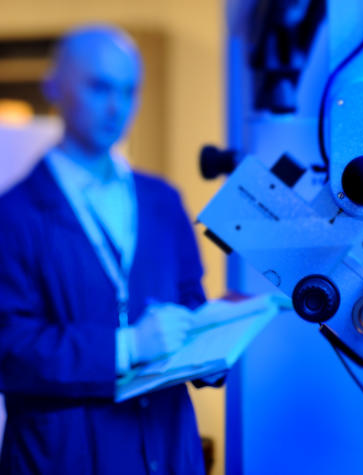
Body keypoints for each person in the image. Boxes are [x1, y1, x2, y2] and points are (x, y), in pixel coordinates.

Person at [0, 25, 212, 474]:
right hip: (64, 455)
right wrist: (128, 346)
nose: (117, 107)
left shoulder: (162, 200)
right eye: (99, 88)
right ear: (54, 87)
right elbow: (10, 350)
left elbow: (190, 299)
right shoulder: (14, 215)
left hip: (165, 448)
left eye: (129, 91)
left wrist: (209, 346)